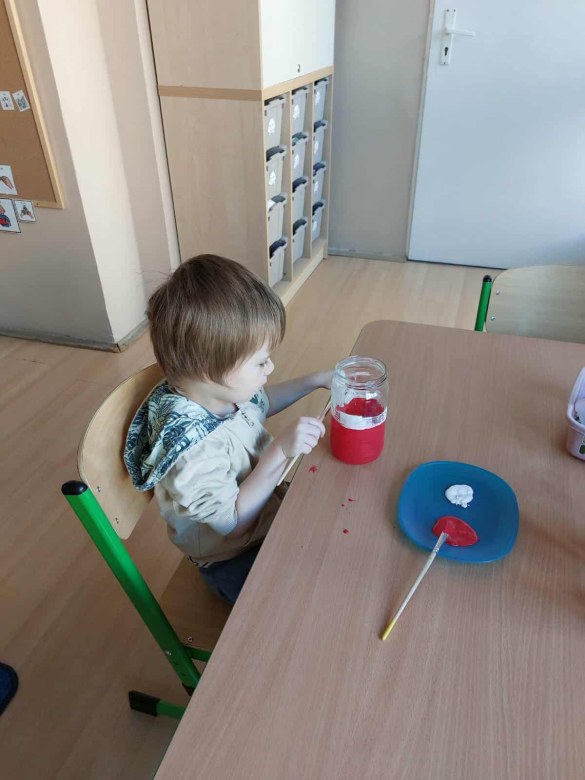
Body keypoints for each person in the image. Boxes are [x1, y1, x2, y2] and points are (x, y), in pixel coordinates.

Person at [124, 254, 332, 604]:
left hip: (267, 513)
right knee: (309, 602)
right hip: (235, 557)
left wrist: (314, 381)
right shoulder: (192, 450)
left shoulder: (216, 392)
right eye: (261, 362)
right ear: (210, 367)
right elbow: (234, 525)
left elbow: (261, 403)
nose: (271, 367)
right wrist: (279, 452)